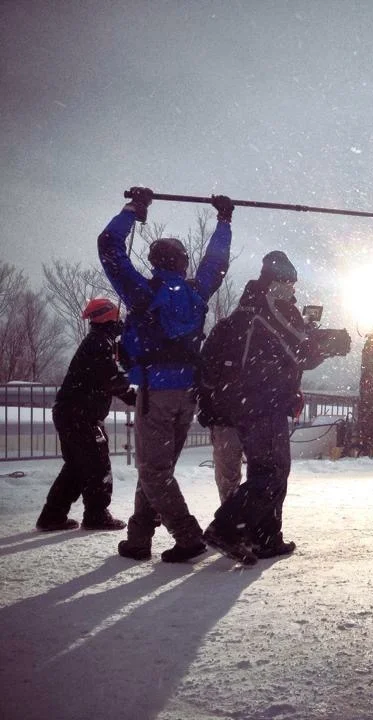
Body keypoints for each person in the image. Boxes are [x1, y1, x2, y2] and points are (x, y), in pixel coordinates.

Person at [98, 186, 233, 562]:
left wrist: (133, 209)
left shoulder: (143, 291)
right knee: (158, 468)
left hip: (155, 393)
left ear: (156, 261)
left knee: (154, 471)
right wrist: (224, 220)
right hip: (187, 393)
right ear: (183, 263)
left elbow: (109, 245)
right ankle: (139, 538)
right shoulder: (196, 293)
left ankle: (187, 537)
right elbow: (216, 263)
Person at [202, 251, 350, 564]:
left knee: (265, 469)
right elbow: (300, 349)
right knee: (272, 471)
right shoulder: (270, 306)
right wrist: (330, 343)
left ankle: (265, 538)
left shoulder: (246, 309)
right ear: (278, 280)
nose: (293, 291)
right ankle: (226, 527)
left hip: (247, 402)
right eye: (290, 283)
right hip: (262, 401)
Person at [35, 299, 137, 532]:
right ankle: (96, 514)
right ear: (110, 318)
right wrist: (133, 396)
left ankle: (52, 515)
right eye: (117, 318)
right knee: (98, 466)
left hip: (70, 413)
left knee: (76, 466)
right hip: (81, 416)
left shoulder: (100, 341)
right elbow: (110, 379)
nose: (119, 322)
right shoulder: (99, 344)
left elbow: (107, 377)